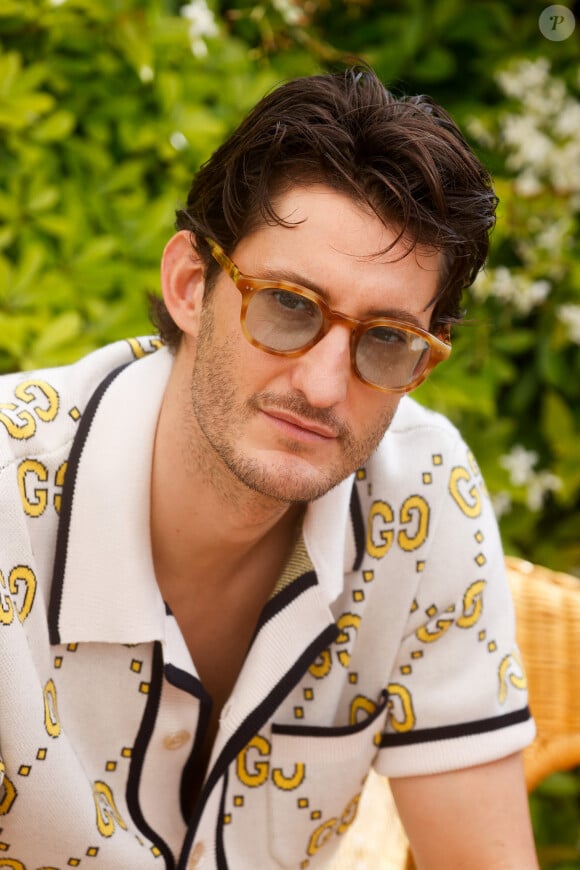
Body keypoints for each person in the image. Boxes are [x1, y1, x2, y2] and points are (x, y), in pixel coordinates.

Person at [0, 66, 538, 869]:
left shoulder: (420, 491)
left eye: (386, 338)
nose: (324, 386)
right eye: (288, 303)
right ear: (190, 284)